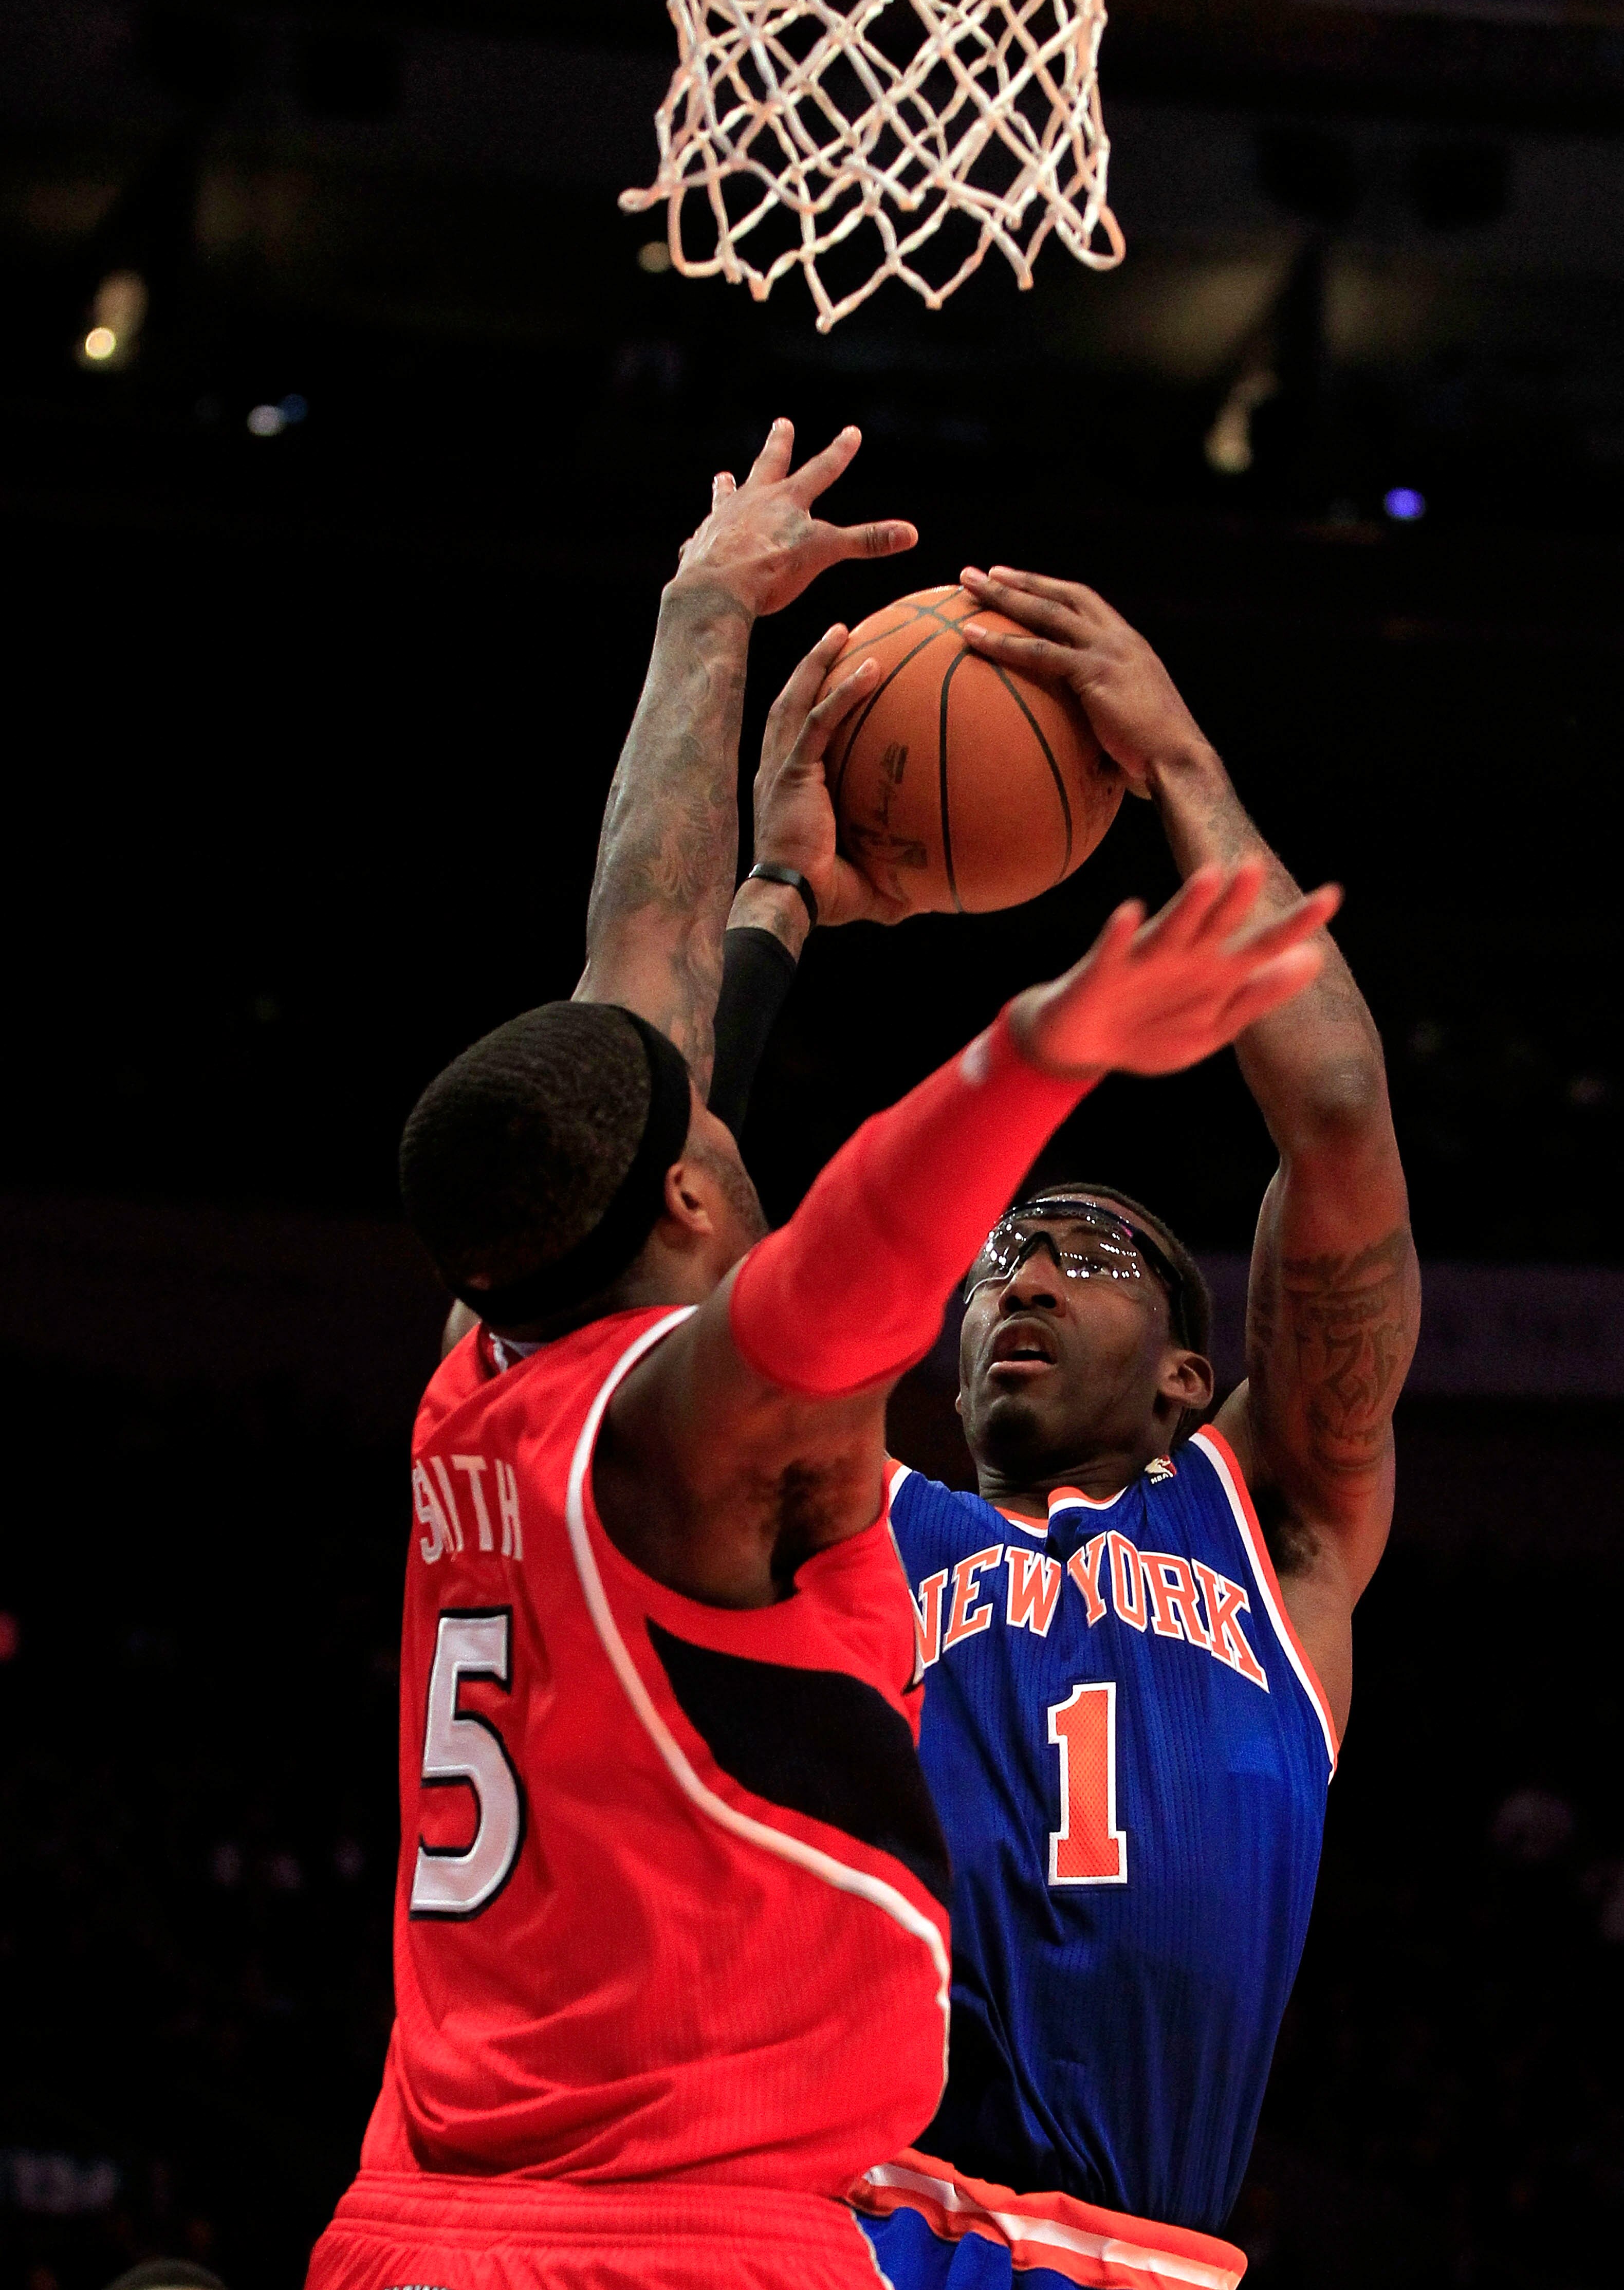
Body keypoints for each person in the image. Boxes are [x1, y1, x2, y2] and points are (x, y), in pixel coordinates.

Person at [304, 436, 1339, 2290]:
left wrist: (716, 651)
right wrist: (1042, 1048)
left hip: (418, 2211)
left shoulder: (486, 1371)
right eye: (709, 1131)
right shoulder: (720, 1428)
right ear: (692, 1196)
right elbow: (848, 1257)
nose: (722, 1109)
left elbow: (635, 981)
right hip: (692, 2232)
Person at [672, 565, 1419, 2288]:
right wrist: (780, 892)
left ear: (1186, 1377)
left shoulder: (1273, 1525)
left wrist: (1177, 764)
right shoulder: (857, 1513)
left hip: (1141, 2258)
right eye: (1000, 1255)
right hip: (854, 2221)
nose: (1019, 1273)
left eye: (1081, 1254)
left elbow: (1338, 1112)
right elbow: (661, 1191)